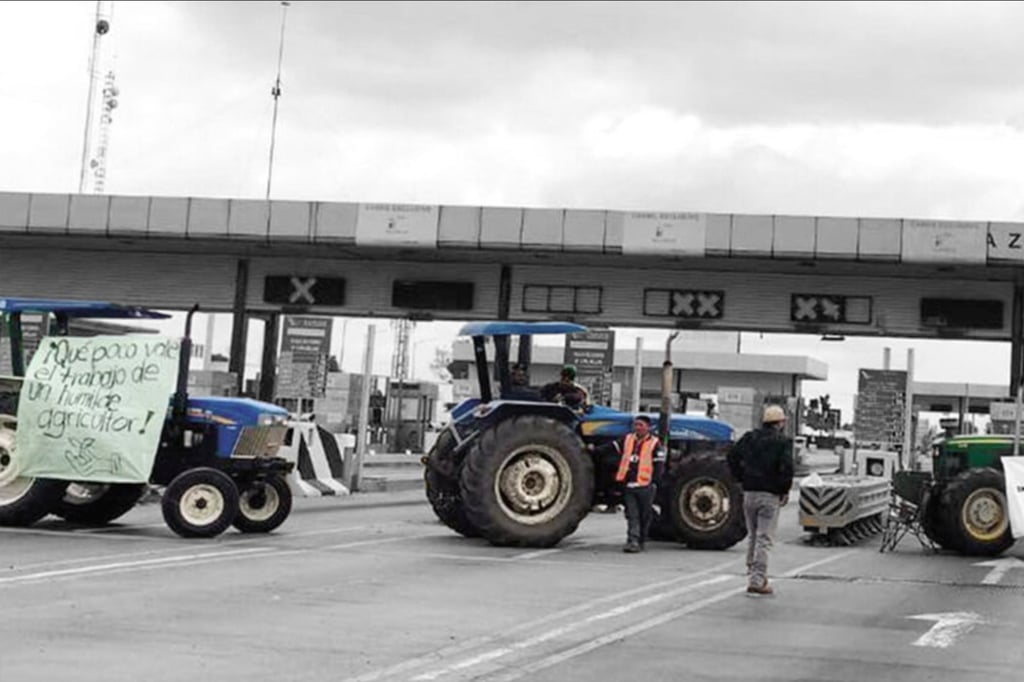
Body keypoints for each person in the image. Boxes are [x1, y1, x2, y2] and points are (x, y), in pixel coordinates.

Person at [727, 405, 795, 596]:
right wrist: (784, 490)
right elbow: (787, 468)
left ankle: (752, 572)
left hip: (749, 492)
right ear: (780, 423)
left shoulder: (749, 438)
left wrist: (740, 478)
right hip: (769, 495)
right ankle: (757, 580)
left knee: (753, 536)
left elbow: (732, 456)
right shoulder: (782, 442)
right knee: (764, 538)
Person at [597, 415, 665, 553]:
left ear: (648, 427)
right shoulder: (627, 439)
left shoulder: (655, 443)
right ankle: (632, 541)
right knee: (632, 515)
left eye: (640, 425)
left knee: (644, 515)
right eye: (636, 425)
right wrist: (593, 449)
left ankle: (642, 539)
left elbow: (659, 465)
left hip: (645, 486)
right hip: (629, 485)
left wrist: (655, 483)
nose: (637, 428)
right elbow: (611, 447)